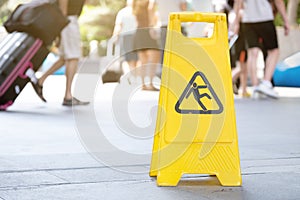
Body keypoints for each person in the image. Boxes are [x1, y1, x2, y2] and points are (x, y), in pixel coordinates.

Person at [32, 0, 89, 106]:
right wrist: (59, 32)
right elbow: (63, 10)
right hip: (67, 22)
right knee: (73, 57)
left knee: (64, 58)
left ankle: (40, 81)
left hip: (69, 21)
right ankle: (68, 96)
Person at [233, 0, 289, 99]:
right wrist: (285, 20)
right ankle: (266, 83)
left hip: (248, 19)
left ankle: (255, 87)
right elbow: (278, 1)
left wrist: (236, 22)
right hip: (264, 17)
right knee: (274, 51)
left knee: (252, 53)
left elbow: (238, 2)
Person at [132, 0, 161, 91]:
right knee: (155, 57)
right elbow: (151, 11)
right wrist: (152, 26)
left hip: (138, 31)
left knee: (143, 60)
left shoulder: (135, 4)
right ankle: (150, 83)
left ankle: (143, 84)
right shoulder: (148, 3)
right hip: (148, 30)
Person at [113, 0, 139, 84]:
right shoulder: (137, 11)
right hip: (136, 36)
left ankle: (128, 76)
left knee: (126, 59)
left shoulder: (122, 12)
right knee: (134, 59)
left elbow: (118, 26)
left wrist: (115, 36)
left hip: (125, 36)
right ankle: (133, 77)